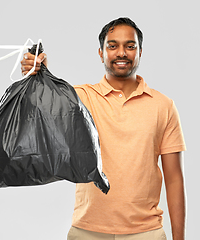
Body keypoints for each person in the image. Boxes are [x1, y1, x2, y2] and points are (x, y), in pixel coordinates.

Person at [21, 17, 186, 240]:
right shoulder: (79, 98)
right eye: (112, 45)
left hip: (146, 233)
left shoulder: (163, 106)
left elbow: (174, 178)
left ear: (140, 52)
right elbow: (43, 109)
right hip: (87, 232)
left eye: (130, 46)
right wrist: (39, 74)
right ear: (100, 53)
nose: (121, 53)